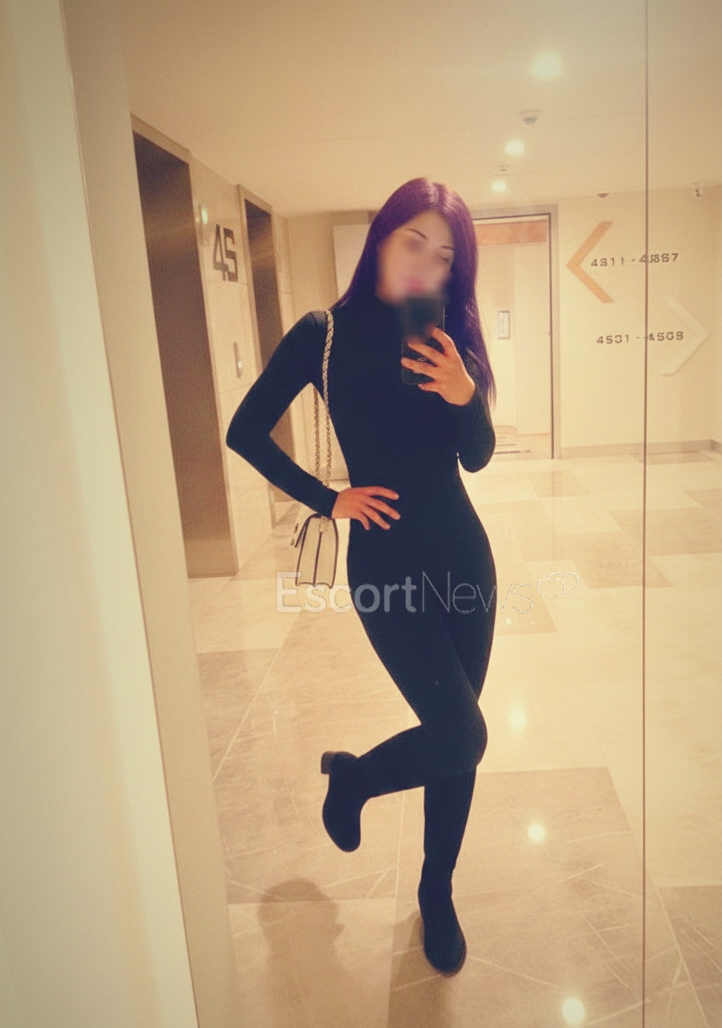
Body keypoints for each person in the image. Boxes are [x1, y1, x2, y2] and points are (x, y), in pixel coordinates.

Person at [225, 177, 497, 974]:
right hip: (385, 563)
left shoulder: (449, 337)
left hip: (464, 558)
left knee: (454, 737)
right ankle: (354, 783)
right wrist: (328, 498)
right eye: (414, 242)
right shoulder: (325, 334)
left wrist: (465, 395)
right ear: (382, 237)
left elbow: (477, 458)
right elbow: (246, 429)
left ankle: (435, 890)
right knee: (462, 733)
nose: (425, 264)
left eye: (443, 256)